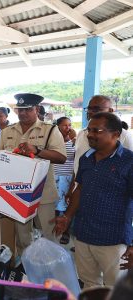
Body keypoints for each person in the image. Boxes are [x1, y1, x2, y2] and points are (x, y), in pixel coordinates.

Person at [53, 112, 133, 288]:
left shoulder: (129, 161)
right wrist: (66, 217)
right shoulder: (86, 158)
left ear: (116, 134)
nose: (90, 134)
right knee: (90, 284)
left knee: (116, 288)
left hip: (113, 239)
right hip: (83, 234)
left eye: (97, 130)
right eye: (89, 130)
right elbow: (80, 189)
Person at [0, 93, 66, 256]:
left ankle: (52, 266)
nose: (22, 113)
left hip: (43, 192)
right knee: (22, 236)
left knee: (49, 234)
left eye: (27, 109)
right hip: (17, 192)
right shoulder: (7, 131)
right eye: (19, 109)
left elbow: (61, 158)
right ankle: (27, 267)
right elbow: (0, 158)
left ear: (37, 109)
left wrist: (37, 150)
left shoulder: (50, 130)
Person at [53, 117, 75, 245]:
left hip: (68, 178)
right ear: (58, 126)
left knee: (68, 206)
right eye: (65, 125)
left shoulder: (74, 141)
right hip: (55, 176)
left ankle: (66, 233)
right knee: (55, 206)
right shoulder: (53, 141)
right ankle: (57, 229)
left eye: (69, 125)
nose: (68, 128)